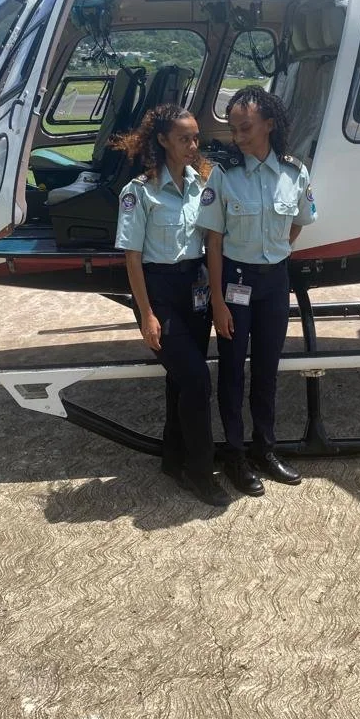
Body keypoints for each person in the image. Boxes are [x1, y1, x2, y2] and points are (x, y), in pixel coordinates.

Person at [196, 85, 317, 497]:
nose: (238, 136)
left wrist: (277, 248)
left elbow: (299, 221)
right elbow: (212, 241)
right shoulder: (225, 177)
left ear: (269, 124)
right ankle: (234, 455)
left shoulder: (294, 172)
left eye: (245, 127)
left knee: (267, 369)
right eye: (233, 128)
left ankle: (265, 449)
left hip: (274, 281)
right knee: (232, 371)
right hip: (236, 281)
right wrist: (217, 301)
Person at [114, 103, 229, 508]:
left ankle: (172, 458)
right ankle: (201, 472)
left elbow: (212, 239)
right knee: (197, 381)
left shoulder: (204, 185)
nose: (193, 144)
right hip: (159, 292)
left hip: (194, 288)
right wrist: (146, 315)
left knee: (180, 380)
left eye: (196, 137)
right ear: (162, 140)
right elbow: (131, 257)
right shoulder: (140, 192)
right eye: (184, 138)